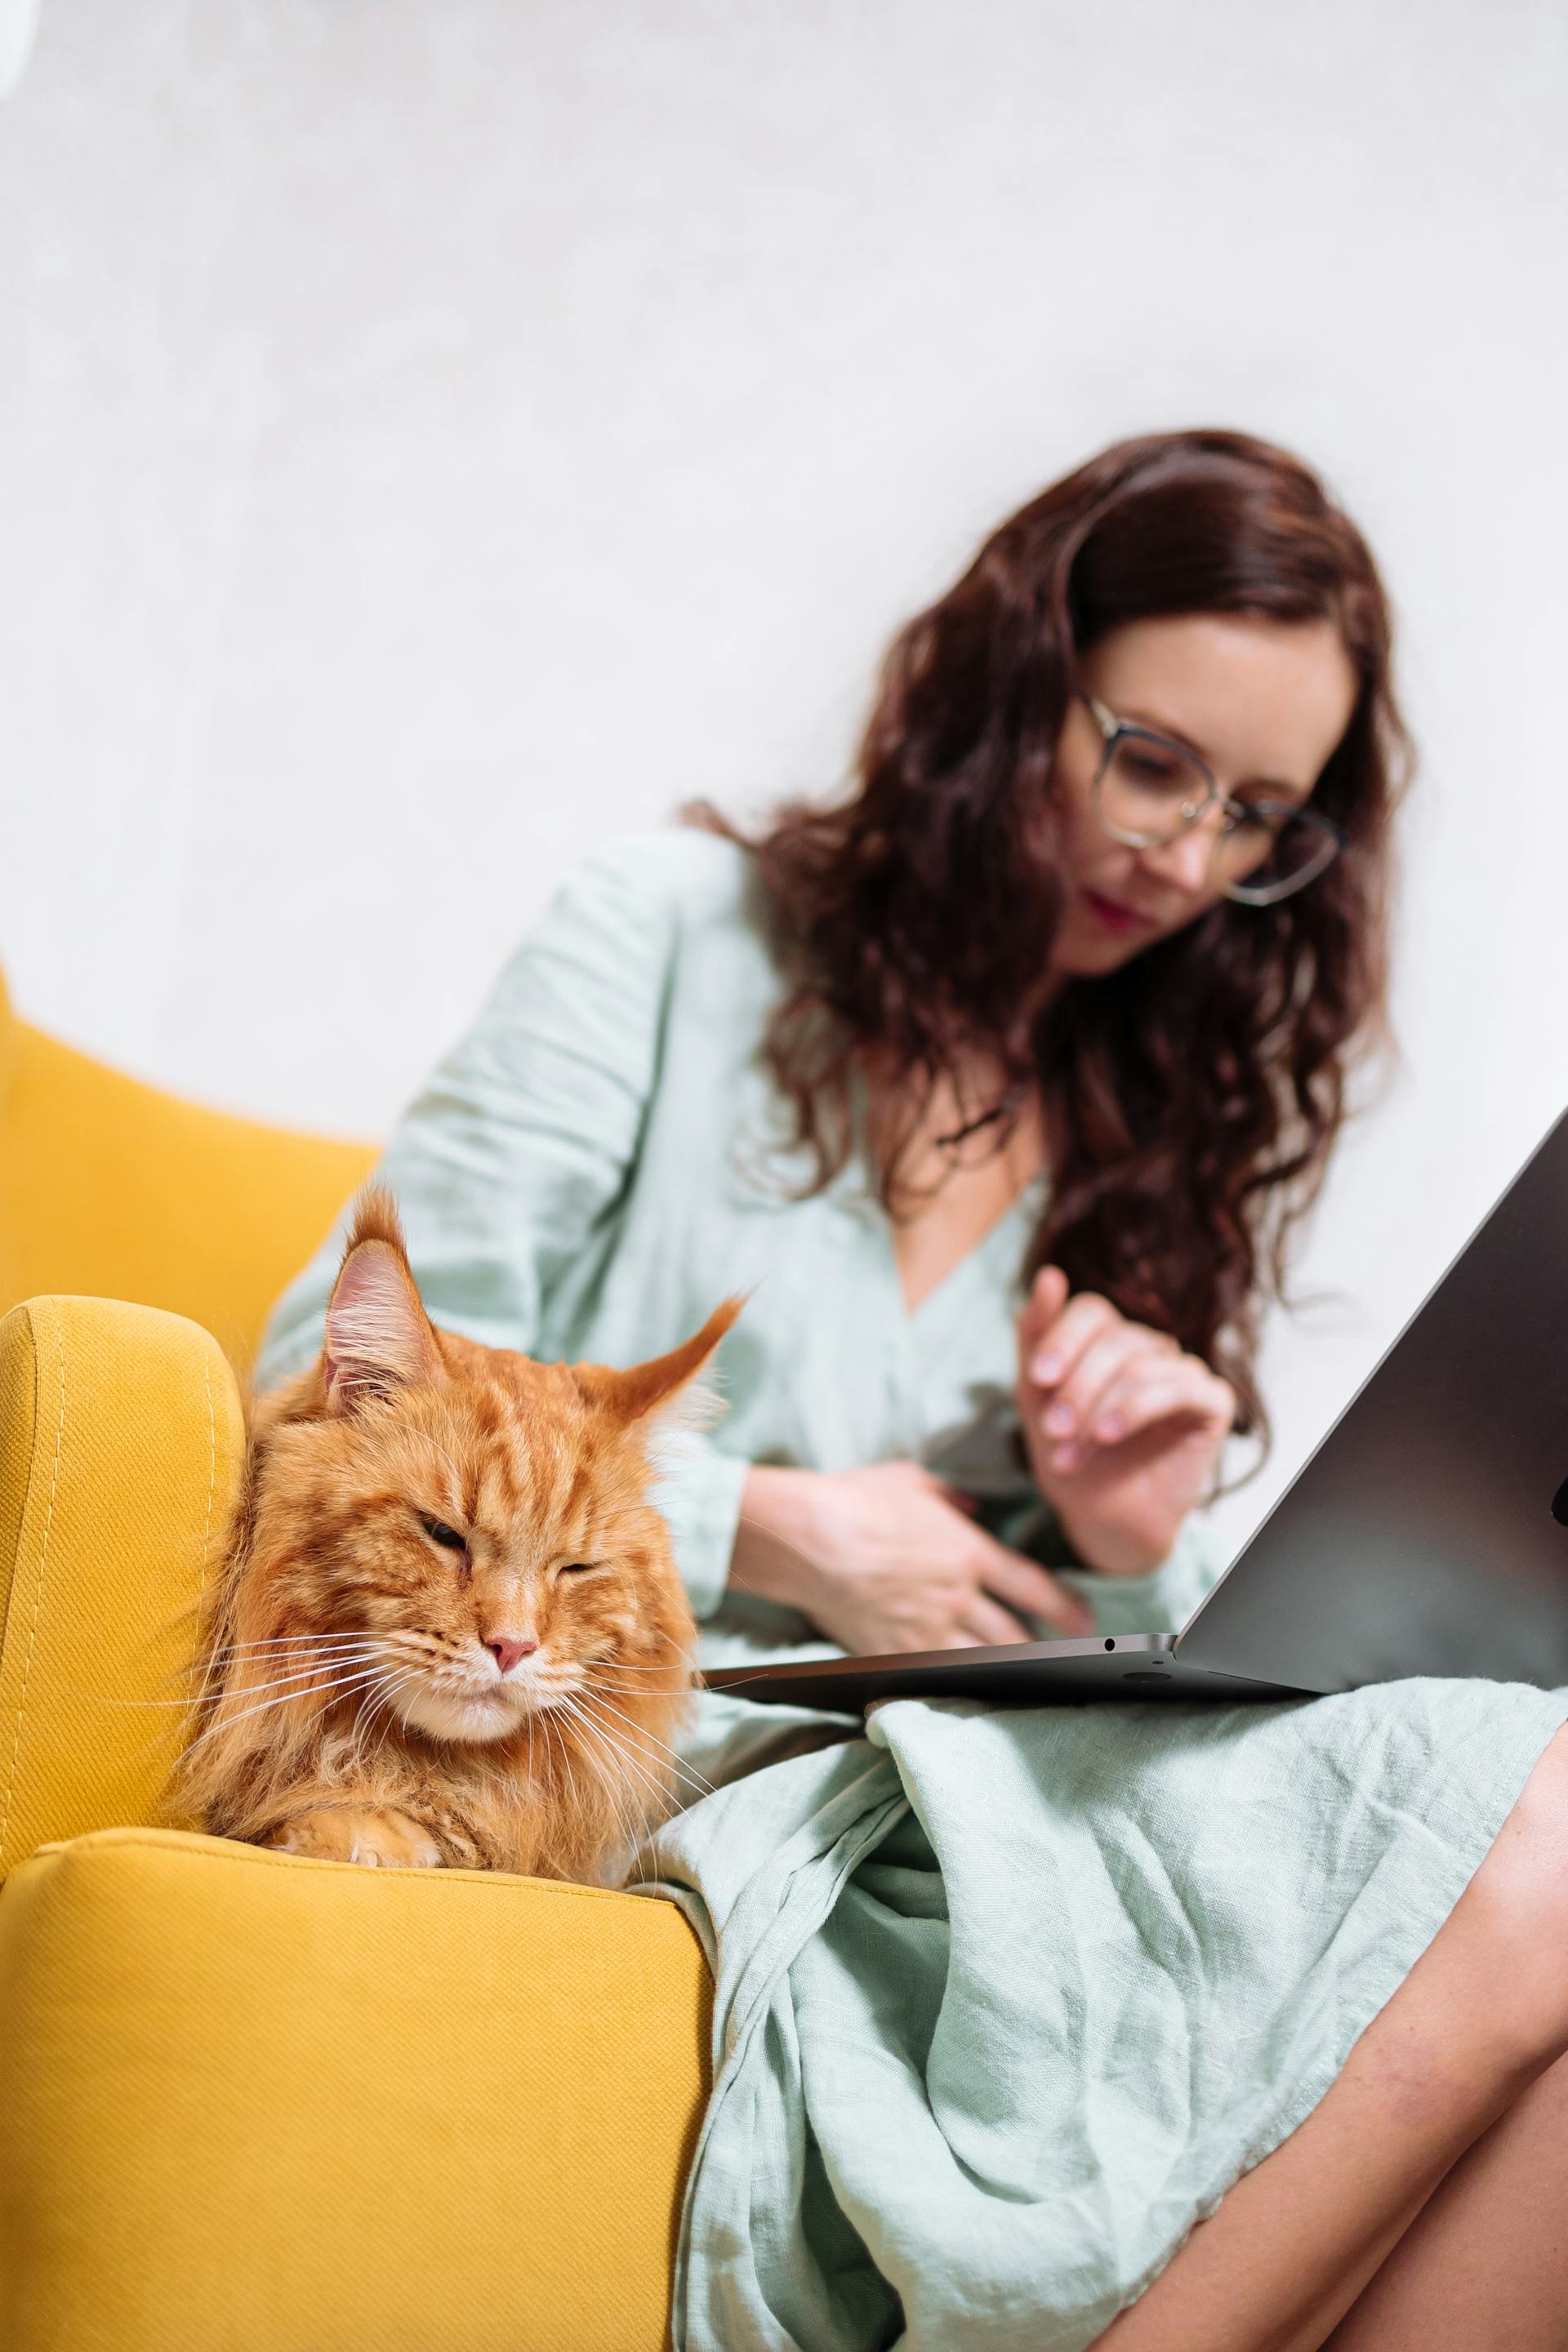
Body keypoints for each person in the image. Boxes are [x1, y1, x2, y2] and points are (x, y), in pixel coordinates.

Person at [256, 427, 1568, 2351]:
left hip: (971, 1778)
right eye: (1152, 762)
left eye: (1259, 819)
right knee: (1532, 1839)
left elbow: (1109, 1669)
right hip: (622, 1735)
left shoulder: (1143, 1136)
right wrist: (773, 1522)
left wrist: (1129, 1544)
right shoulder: (675, 940)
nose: (1186, 858)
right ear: (1014, 689)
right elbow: (328, 1380)